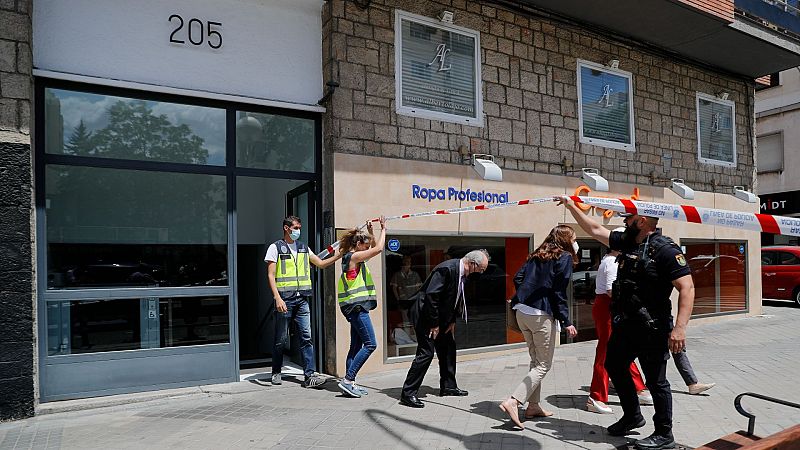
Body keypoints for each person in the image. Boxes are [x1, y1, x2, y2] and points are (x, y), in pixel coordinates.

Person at [558, 196, 695, 450]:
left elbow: (687, 288)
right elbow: (595, 229)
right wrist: (570, 206)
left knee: (656, 381)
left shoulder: (666, 250)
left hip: (652, 326)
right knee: (614, 364)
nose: (625, 222)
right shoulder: (630, 241)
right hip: (627, 324)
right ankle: (632, 415)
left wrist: (680, 328)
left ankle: (664, 433)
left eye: (629, 219)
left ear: (641, 221)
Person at [499, 225, 579, 429]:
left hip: (522, 312)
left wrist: (527, 294)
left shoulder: (537, 254)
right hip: (539, 315)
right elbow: (558, 292)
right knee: (544, 364)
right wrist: (567, 321)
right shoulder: (564, 258)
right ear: (566, 240)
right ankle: (514, 401)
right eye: (574, 238)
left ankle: (533, 406)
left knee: (536, 361)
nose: (576, 242)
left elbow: (518, 278)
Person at [399, 249, 490, 408]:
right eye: (481, 269)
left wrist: (451, 321)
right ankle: (408, 393)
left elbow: (454, 298)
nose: (481, 273)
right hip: (425, 315)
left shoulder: (463, 274)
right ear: (473, 264)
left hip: (441, 318)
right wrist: (434, 324)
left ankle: (448, 386)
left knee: (448, 348)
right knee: (426, 353)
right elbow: (431, 297)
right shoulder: (447, 269)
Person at [265, 215, 342, 388]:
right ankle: (276, 371)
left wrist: (338, 256)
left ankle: (309, 375)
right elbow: (270, 275)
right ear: (286, 228)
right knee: (281, 339)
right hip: (284, 300)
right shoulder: (275, 247)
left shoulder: (303, 248)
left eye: (299, 227)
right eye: (295, 228)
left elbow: (320, 264)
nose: (298, 231)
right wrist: (277, 298)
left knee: (306, 337)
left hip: (302, 300)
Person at [589, 232, 654, 415]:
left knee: (619, 348)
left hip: (611, 307)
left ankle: (638, 387)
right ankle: (596, 396)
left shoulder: (613, 260)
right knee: (607, 349)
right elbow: (612, 290)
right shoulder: (611, 262)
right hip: (609, 307)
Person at [336, 217, 386, 398]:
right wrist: (384, 229)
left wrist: (372, 232)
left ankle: (350, 384)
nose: (367, 249)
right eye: (365, 246)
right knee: (371, 344)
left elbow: (372, 247)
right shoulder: (354, 257)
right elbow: (379, 248)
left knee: (355, 346)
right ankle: (348, 380)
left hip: (353, 307)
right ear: (357, 244)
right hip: (357, 308)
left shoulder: (352, 256)